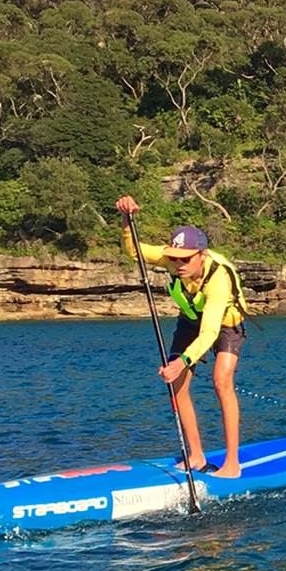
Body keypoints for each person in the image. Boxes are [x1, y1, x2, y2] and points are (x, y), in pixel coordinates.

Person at [116, 196, 248, 478]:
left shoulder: (218, 278)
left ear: (202, 255)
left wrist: (184, 360)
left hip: (226, 324)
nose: (178, 264)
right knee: (177, 385)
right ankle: (196, 455)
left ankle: (232, 464)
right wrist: (127, 219)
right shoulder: (172, 260)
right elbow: (134, 251)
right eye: (174, 258)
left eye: (186, 259)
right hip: (190, 321)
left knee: (221, 381)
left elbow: (210, 331)